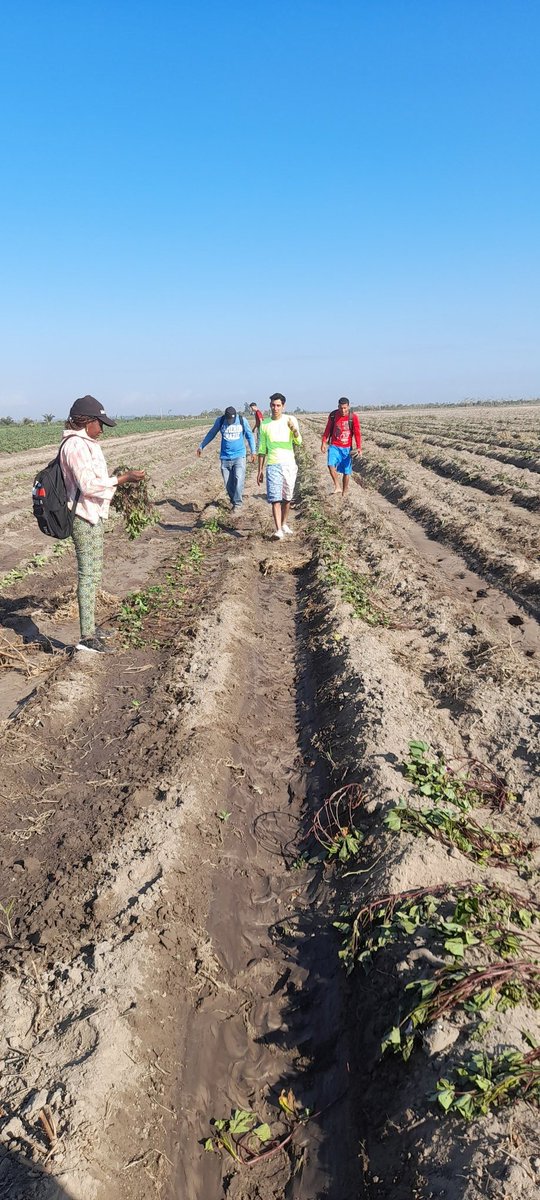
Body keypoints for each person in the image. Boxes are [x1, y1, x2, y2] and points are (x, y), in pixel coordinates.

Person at [59, 395, 145, 654]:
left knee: (95, 572)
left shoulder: (87, 443)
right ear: (88, 422)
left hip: (93, 514)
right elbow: (87, 486)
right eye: (100, 424)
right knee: (87, 575)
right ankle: (86, 637)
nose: (103, 430)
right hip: (82, 517)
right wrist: (122, 479)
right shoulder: (75, 446)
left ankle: (92, 627)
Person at [257, 393, 302, 540]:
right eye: (273, 405)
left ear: (283, 406)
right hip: (273, 464)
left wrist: (294, 431)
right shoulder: (265, 424)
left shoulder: (290, 420)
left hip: (289, 464)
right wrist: (260, 470)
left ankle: (283, 524)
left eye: (278, 405)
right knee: (275, 498)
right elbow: (262, 449)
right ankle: (278, 530)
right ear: (270, 405)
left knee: (287, 498)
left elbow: (299, 441)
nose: (275, 408)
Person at [196, 406, 255, 511]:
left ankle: (238, 504)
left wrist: (253, 451)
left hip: (239, 456)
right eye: (229, 420)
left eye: (232, 420)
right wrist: (202, 446)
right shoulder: (220, 421)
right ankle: (234, 500)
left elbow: (250, 436)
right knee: (228, 483)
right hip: (225, 457)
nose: (230, 422)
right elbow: (211, 433)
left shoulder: (242, 420)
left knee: (239, 479)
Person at [321, 397, 362, 496]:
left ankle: (345, 491)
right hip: (334, 446)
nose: (343, 410)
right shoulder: (333, 415)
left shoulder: (353, 417)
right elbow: (327, 429)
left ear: (348, 407)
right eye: (341, 408)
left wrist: (359, 447)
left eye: (345, 408)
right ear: (338, 406)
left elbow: (357, 433)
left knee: (346, 472)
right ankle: (337, 486)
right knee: (330, 465)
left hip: (347, 448)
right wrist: (323, 442)